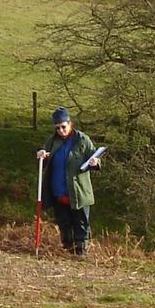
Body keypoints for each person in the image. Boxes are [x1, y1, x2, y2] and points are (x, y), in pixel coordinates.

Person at [36, 107, 101, 257]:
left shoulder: (82, 139)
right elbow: (43, 157)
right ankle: (67, 251)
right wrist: (41, 155)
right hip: (58, 192)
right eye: (57, 128)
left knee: (81, 224)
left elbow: (95, 156)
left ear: (70, 123)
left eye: (63, 127)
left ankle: (81, 254)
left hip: (79, 192)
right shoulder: (52, 141)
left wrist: (95, 162)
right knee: (64, 223)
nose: (60, 130)